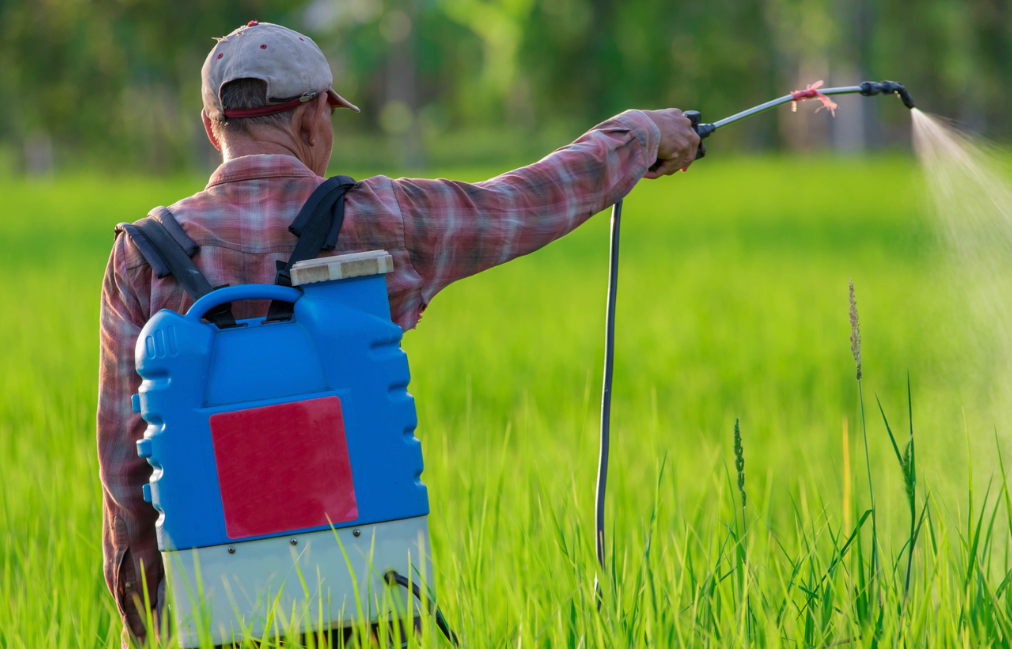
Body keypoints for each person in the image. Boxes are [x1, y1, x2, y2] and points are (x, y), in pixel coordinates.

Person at [97, 20, 699, 645]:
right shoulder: (380, 218)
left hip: (214, 611)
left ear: (210, 126)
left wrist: (147, 628)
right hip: (371, 600)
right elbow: (524, 203)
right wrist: (639, 136)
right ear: (310, 122)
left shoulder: (141, 256)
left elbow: (124, 471)